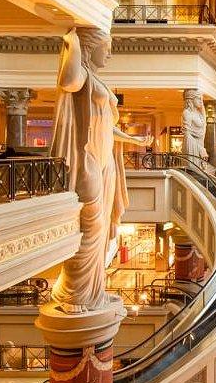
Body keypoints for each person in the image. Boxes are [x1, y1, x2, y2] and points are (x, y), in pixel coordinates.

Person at [49, 28, 150, 313]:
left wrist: (133, 140)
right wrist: (72, 43)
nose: (109, 53)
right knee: (90, 226)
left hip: (105, 163)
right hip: (88, 159)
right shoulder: (82, 75)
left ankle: (92, 292)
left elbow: (106, 124)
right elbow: (67, 80)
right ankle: (73, 294)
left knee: (101, 227)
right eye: (106, 47)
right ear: (91, 48)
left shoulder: (96, 80)